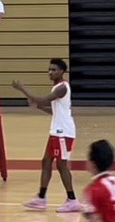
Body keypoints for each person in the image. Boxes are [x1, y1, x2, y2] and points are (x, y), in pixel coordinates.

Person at [12, 58, 81, 213]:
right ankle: (41, 198)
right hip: (56, 131)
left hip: (63, 132)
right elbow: (53, 110)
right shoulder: (57, 88)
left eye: (54, 70)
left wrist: (22, 89)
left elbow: (42, 99)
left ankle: (72, 200)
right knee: (46, 161)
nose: (50, 72)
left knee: (62, 165)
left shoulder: (62, 88)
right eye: (49, 69)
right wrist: (39, 107)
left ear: (62, 71)